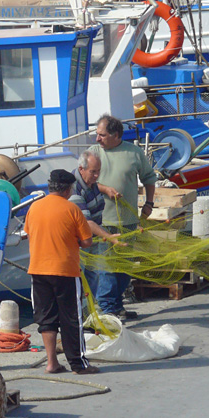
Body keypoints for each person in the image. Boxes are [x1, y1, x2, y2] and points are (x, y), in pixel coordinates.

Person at [24, 169, 99, 375]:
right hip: (65, 271)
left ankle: (51, 363)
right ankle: (78, 364)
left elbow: (30, 233)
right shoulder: (72, 209)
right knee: (71, 318)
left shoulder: (34, 208)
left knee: (46, 319)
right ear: (67, 190)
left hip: (38, 270)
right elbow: (87, 242)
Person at [89, 114, 157, 319]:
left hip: (127, 221)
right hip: (102, 222)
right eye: (97, 134)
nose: (97, 139)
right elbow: (85, 181)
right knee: (108, 268)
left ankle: (117, 306)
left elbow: (149, 178)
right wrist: (104, 189)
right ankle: (107, 311)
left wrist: (149, 203)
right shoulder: (93, 153)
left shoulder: (134, 152)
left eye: (102, 135)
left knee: (124, 269)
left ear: (116, 135)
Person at [68, 149, 119, 304]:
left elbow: (97, 185)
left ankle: (92, 309)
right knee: (83, 279)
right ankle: (84, 313)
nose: (97, 176)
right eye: (93, 172)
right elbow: (87, 223)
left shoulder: (91, 182)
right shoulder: (75, 189)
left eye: (99, 171)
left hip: (93, 240)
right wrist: (109, 237)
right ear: (81, 169)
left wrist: (107, 189)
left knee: (94, 275)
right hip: (81, 244)